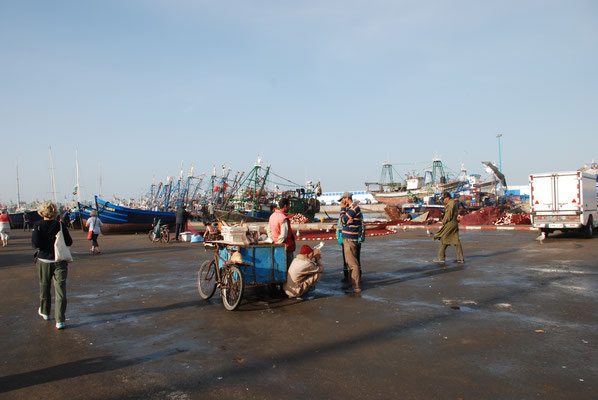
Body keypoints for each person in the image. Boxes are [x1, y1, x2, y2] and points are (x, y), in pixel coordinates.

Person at [32, 201, 73, 329]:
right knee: (60, 290)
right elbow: (69, 242)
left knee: (44, 286)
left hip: (44, 260)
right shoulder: (60, 225)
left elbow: (36, 244)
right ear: (55, 212)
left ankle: (45, 312)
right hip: (59, 260)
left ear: (41, 212)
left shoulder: (38, 225)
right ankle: (60, 320)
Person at [339, 192, 363, 293]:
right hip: (347, 238)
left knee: (353, 263)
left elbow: (343, 220)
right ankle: (351, 283)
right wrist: (344, 220)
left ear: (347, 198)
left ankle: (356, 286)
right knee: (349, 263)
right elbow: (343, 221)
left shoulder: (354, 208)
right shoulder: (350, 208)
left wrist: (342, 209)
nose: (341, 202)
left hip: (350, 238)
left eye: (342, 199)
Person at [433, 192, 464, 264]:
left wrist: (444, 221)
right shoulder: (454, 203)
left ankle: (441, 258)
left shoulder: (450, 204)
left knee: (443, 239)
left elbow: (448, 215)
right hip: (454, 223)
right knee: (456, 241)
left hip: (449, 223)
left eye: (444, 199)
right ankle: (460, 258)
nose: (443, 201)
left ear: (447, 198)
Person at [268, 197, 296, 269]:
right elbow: (283, 235)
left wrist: (273, 241)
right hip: (286, 247)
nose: (289, 207)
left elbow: (269, 230)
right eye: (289, 205)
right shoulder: (283, 218)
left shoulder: (272, 216)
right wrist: (278, 244)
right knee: (288, 268)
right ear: (285, 206)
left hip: (276, 246)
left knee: (278, 267)